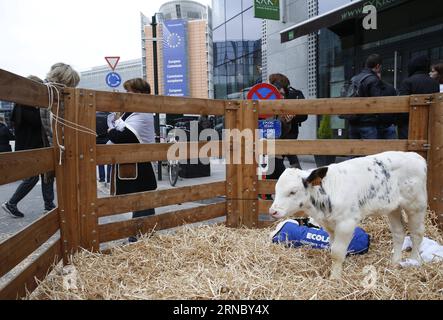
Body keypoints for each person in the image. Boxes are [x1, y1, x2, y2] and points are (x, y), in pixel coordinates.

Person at [107, 78, 157, 243]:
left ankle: (141, 238)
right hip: (136, 162)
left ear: (140, 94)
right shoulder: (133, 111)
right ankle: (139, 237)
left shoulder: (142, 112)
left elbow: (123, 137)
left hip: (143, 163)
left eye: (129, 92)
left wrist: (110, 129)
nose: (126, 95)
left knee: (143, 200)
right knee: (139, 200)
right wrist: (113, 129)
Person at [2, 75, 57, 218]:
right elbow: (37, 123)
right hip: (32, 147)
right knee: (33, 178)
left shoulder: (21, 105)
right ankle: (11, 203)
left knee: (46, 176)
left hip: (34, 146)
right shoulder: (25, 106)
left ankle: (49, 205)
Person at [267, 73, 308, 179]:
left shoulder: (279, 93)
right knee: (287, 156)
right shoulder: (292, 93)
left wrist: (290, 119)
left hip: (284, 131)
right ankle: (299, 178)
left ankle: (296, 179)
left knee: (281, 158)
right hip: (284, 132)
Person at [346, 54, 388, 140]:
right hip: (367, 123)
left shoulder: (354, 78)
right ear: (378, 66)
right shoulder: (373, 80)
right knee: (371, 152)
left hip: (352, 122)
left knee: (354, 151)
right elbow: (377, 103)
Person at [398, 55, 440, 139]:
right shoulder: (434, 83)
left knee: (408, 150)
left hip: (409, 124)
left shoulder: (408, 82)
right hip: (428, 123)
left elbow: (402, 107)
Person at [96, 111, 111, 190]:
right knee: (109, 160)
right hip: (108, 140)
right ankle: (109, 179)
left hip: (97, 140)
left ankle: (102, 179)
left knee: (100, 161)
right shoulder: (110, 116)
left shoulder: (95, 115)